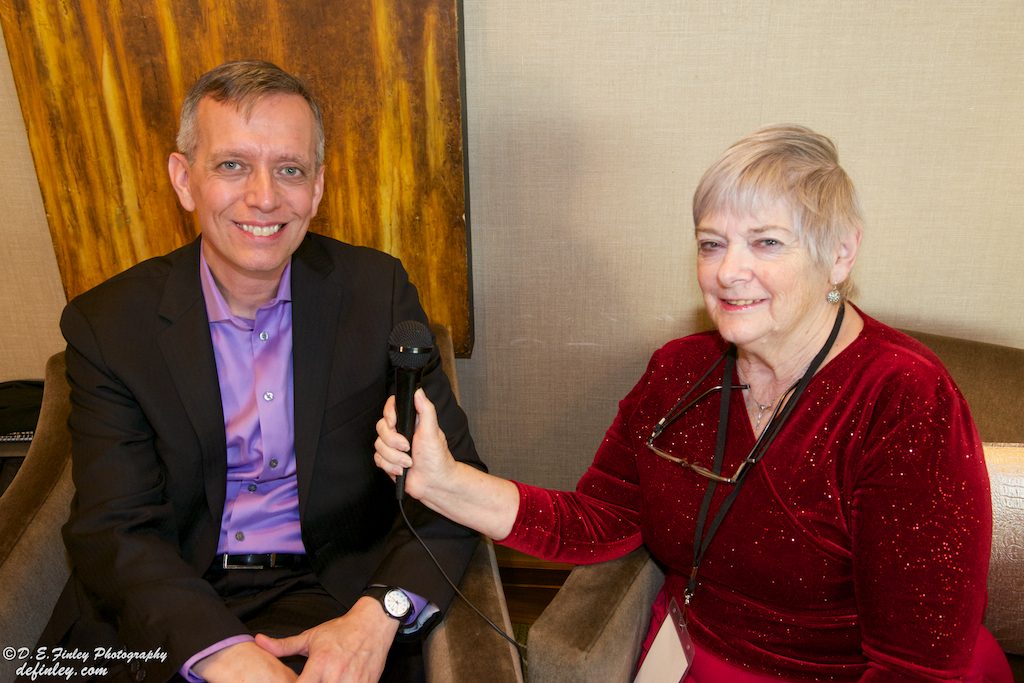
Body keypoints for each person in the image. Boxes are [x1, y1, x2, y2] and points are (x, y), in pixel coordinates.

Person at [375, 125, 1012, 682]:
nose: (728, 271)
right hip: (688, 656)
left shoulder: (902, 401)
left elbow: (917, 666)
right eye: (712, 243)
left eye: (766, 243)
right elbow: (598, 520)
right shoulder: (681, 371)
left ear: (840, 253)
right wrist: (444, 481)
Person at [39, 60, 484, 683]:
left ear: (318, 188)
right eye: (231, 165)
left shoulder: (375, 290)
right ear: (183, 178)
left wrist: (381, 611)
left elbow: (459, 484)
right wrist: (221, 654)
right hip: (169, 598)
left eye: (290, 169)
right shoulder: (109, 325)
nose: (265, 196)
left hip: (335, 592)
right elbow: (114, 530)